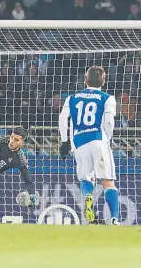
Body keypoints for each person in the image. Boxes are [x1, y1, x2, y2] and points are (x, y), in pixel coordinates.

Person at [58, 66, 120, 225]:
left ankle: (88, 199)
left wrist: (64, 141)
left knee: (86, 179)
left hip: (79, 143)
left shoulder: (72, 97)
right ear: (103, 82)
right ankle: (114, 219)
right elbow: (108, 121)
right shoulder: (107, 98)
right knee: (107, 180)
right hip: (98, 139)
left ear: (85, 80)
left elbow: (63, 118)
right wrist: (107, 139)